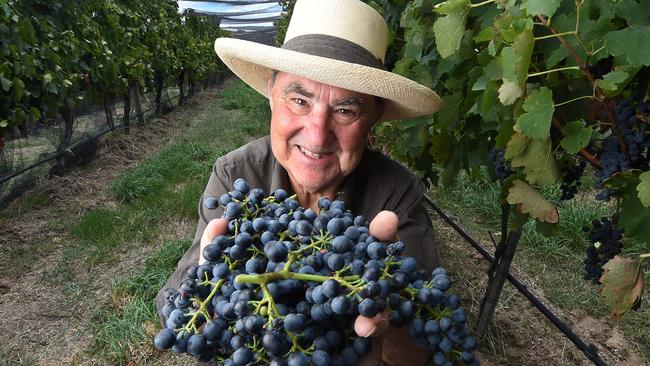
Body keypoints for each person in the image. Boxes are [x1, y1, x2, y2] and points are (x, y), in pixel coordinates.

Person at [156, 0, 443, 364]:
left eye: (345, 110)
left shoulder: (395, 193)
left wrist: (391, 322)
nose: (318, 134)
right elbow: (176, 308)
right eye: (298, 100)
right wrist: (211, 299)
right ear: (271, 98)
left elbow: (425, 347)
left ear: (375, 118)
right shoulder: (235, 176)